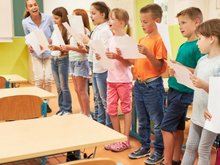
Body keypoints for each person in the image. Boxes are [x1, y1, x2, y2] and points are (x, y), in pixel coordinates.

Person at [160, 7, 203, 165]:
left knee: (165, 128)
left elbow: (200, 71)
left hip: (183, 93)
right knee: (177, 128)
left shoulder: (199, 46)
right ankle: (176, 159)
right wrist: (175, 70)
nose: (180, 27)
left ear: (197, 22)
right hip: (174, 90)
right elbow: (183, 69)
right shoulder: (184, 45)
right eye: (179, 24)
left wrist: (181, 67)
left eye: (183, 23)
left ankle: (167, 162)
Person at [128, 4, 167, 165]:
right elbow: (137, 62)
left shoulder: (160, 40)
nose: (142, 25)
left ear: (157, 21)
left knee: (157, 122)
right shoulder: (142, 39)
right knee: (142, 120)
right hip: (139, 85)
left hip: (153, 86)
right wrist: (120, 55)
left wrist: (148, 53)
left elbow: (158, 66)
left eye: (145, 22)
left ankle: (159, 151)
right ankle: (144, 147)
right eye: (141, 22)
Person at [181, 18, 220, 165]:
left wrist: (204, 86)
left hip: (212, 115)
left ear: (211, 39)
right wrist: (180, 70)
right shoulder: (202, 60)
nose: (197, 43)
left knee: (204, 150)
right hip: (198, 111)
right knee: (190, 147)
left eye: (199, 38)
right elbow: (195, 79)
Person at [97, 8, 132, 152]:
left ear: (122, 22)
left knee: (126, 109)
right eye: (109, 18)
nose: (109, 21)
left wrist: (118, 56)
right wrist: (102, 57)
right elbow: (108, 59)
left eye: (112, 18)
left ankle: (126, 139)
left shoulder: (127, 40)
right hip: (111, 80)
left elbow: (130, 62)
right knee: (111, 109)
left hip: (124, 80)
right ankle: (117, 138)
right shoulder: (110, 39)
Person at [82, 1, 112, 127]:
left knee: (105, 100)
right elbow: (94, 49)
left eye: (94, 13)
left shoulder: (105, 30)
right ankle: (100, 124)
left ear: (103, 14)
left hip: (102, 69)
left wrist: (89, 42)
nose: (91, 16)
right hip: (95, 68)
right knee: (98, 100)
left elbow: (104, 50)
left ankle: (108, 126)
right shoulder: (97, 30)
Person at [22, 0, 53, 113]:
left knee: (48, 79)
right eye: (31, 6)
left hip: (49, 52)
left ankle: (46, 103)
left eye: (35, 4)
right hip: (35, 53)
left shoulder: (48, 18)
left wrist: (51, 40)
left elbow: (55, 33)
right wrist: (29, 45)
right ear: (27, 9)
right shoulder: (25, 22)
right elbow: (27, 37)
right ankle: (39, 103)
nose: (34, 7)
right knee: (39, 79)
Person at [61, 9, 91, 117]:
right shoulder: (71, 32)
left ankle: (87, 114)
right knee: (77, 89)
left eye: (74, 17)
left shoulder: (85, 31)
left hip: (81, 61)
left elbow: (85, 50)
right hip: (72, 61)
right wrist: (66, 48)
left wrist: (70, 48)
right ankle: (83, 112)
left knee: (82, 90)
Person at [48, 7, 72, 116]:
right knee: (58, 87)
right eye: (53, 18)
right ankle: (61, 108)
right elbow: (54, 43)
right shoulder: (55, 29)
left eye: (56, 18)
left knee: (64, 86)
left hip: (63, 60)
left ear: (63, 18)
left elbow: (67, 48)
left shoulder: (67, 30)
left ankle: (67, 109)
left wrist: (58, 48)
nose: (54, 20)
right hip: (53, 59)